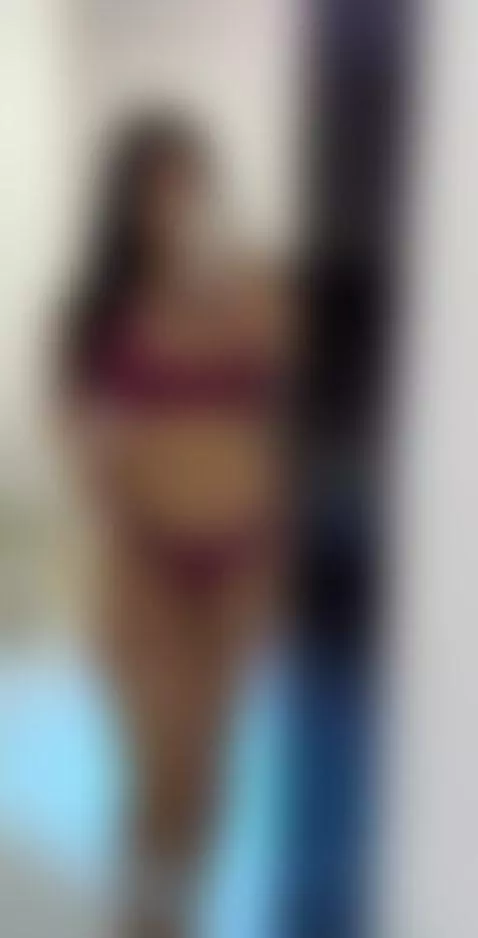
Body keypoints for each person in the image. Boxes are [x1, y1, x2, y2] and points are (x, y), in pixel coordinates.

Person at [58, 112, 292, 936]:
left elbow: (290, 404)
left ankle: (178, 921)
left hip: (239, 573)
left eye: (192, 185)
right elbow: (86, 450)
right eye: (159, 189)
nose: (178, 207)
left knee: (210, 780)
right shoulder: (97, 316)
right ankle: (139, 925)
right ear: (127, 204)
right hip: (144, 576)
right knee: (160, 768)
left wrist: (231, 289)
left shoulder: (256, 293)